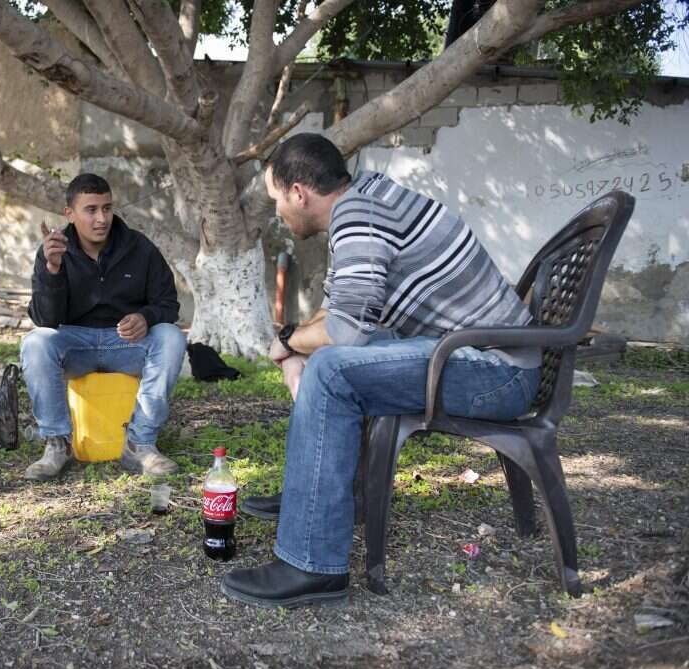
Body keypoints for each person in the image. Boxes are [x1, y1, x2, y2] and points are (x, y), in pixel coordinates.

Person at [222, 133, 541, 608]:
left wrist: (287, 343)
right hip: (475, 357)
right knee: (333, 359)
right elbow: (338, 312)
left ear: (298, 193)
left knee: (333, 368)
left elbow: (345, 333)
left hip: (495, 372)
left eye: (276, 202)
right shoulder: (366, 199)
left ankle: (311, 564)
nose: (278, 216)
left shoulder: (359, 215)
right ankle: (313, 503)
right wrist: (294, 346)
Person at [20, 173, 186, 480]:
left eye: (107, 208)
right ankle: (58, 444)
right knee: (36, 342)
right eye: (91, 209)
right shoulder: (53, 252)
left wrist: (146, 317)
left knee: (171, 336)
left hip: (125, 343)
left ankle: (140, 443)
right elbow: (46, 320)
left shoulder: (139, 248)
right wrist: (53, 270)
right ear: (69, 214)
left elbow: (168, 304)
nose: (101, 218)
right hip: (75, 344)